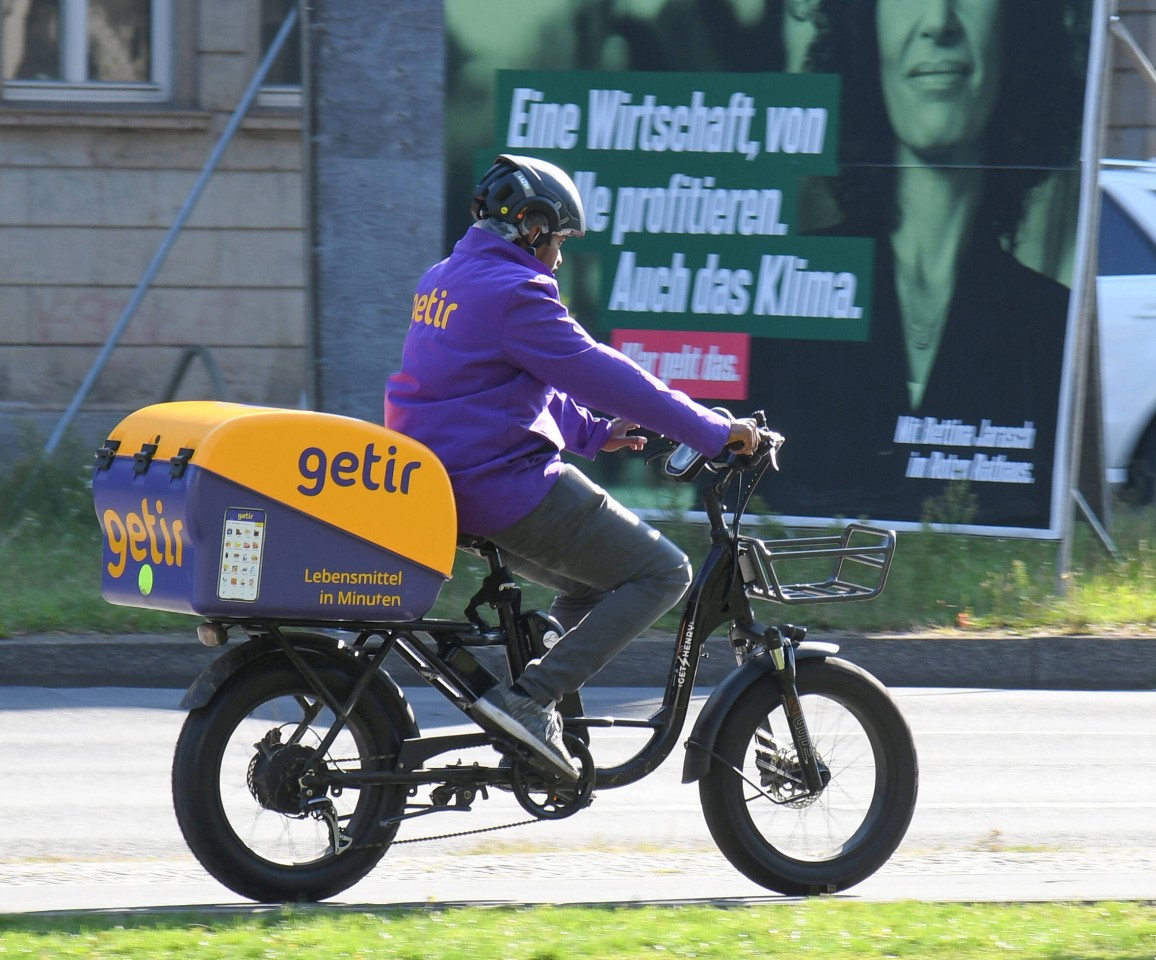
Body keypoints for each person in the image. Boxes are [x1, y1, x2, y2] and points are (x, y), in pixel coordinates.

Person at [386, 154, 758, 780]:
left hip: (445, 484)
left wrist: (588, 431)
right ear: (531, 228)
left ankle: (534, 685)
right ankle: (530, 700)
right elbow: (605, 373)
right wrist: (716, 431)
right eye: (557, 240)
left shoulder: (445, 278)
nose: (559, 257)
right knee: (663, 571)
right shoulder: (518, 292)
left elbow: (498, 382)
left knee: (593, 583)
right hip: (500, 485)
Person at [751, 0, 1085, 528]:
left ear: (1015, 31)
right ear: (866, 30)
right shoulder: (778, 287)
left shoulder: (1055, 325)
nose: (938, 23)